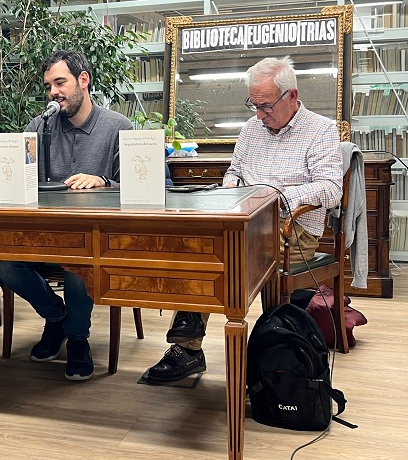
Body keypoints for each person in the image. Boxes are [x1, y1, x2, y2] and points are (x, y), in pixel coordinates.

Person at [146, 55, 343, 383]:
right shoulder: (251, 128)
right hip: (242, 225)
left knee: (226, 260)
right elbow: (234, 171)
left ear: (291, 96)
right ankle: (189, 345)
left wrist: (274, 200)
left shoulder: (321, 130)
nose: (260, 114)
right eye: (254, 105)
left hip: (290, 230)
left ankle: (261, 356)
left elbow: (331, 189)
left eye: (266, 106)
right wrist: (231, 187)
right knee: (201, 249)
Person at [0, 50, 133, 381]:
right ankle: (57, 316)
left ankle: (77, 339)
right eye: (48, 86)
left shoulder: (118, 126)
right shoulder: (41, 126)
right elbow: (13, 164)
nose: (53, 93)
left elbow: (141, 184)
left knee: (79, 267)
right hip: (44, 235)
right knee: (5, 265)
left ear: (83, 81)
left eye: (60, 83)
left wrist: (104, 181)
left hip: (92, 239)